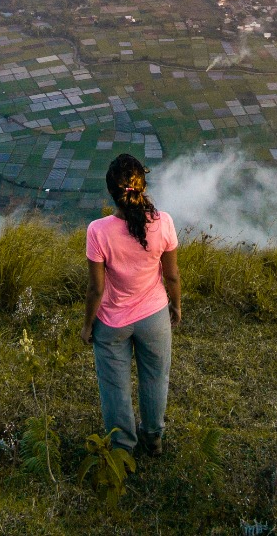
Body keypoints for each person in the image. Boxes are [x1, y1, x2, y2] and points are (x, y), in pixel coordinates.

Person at [82, 152, 180, 458]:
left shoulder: (98, 231)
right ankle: (153, 439)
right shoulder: (163, 223)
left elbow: (97, 288)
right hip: (154, 316)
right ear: (143, 186)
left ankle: (122, 448)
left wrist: (87, 325)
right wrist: (175, 307)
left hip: (112, 322)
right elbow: (173, 275)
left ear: (112, 192)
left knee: (114, 388)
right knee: (155, 378)